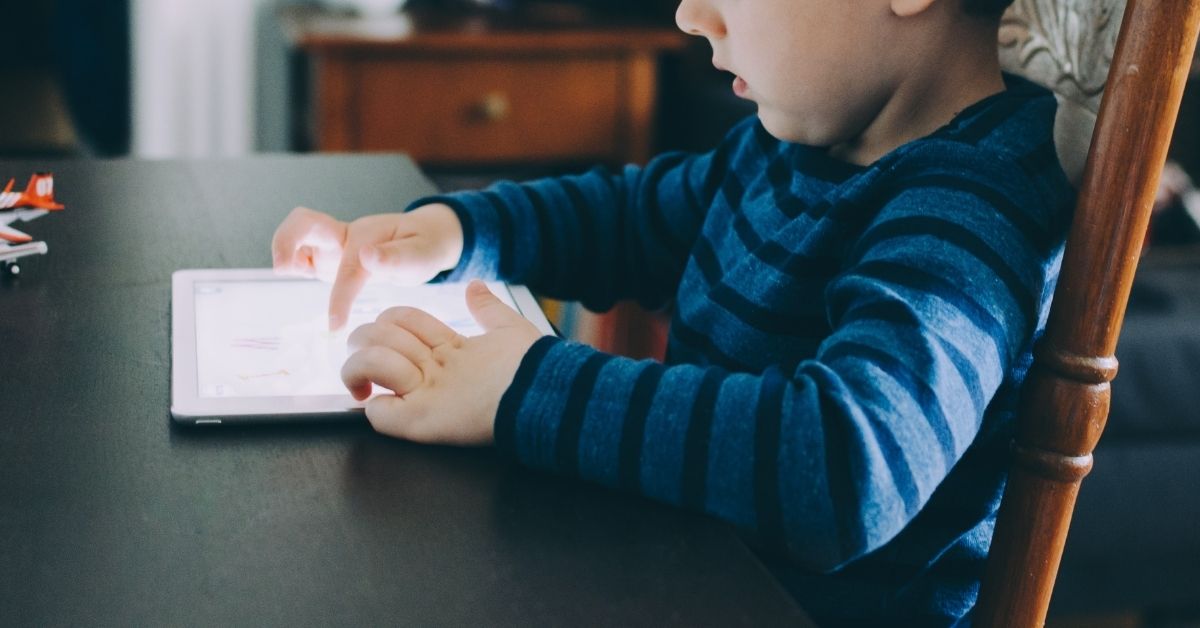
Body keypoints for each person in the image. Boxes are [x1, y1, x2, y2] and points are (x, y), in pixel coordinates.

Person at [271, 0, 1074, 623]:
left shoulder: (971, 206)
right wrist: (454, 232)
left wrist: (525, 384)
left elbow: (845, 466)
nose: (691, 15)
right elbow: (629, 219)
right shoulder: (794, 147)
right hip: (688, 575)